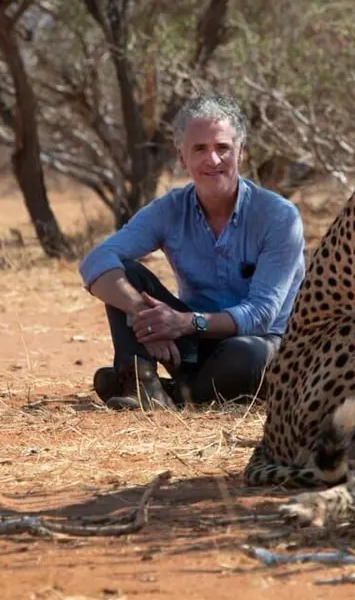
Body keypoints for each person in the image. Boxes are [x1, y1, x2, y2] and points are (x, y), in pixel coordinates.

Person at [78, 94, 306, 410]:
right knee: (126, 272)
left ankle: (165, 391)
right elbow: (96, 260)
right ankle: (141, 382)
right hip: (189, 347)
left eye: (223, 148)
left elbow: (261, 315)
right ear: (182, 157)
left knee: (249, 355)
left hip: (262, 347)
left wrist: (184, 323)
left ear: (241, 152)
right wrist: (142, 314)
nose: (212, 160)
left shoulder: (279, 217)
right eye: (200, 149)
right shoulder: (169, 209)